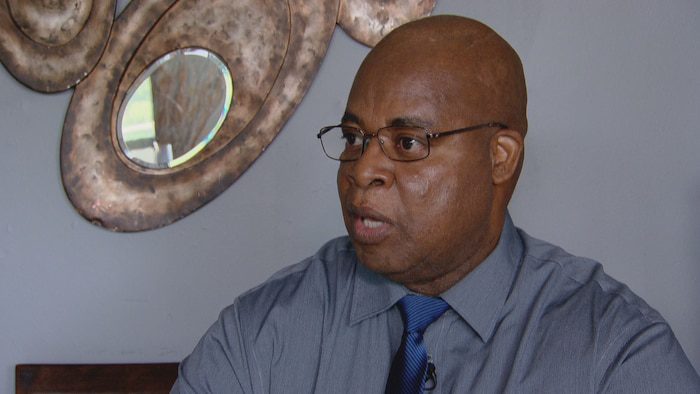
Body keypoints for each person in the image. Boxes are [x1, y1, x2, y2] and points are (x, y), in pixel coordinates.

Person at [171, 15, 700, 393]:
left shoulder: (613, 351)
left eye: (407, 143)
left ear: (500, 157)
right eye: (354, 137)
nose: (362, 170)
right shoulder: (260, 334)